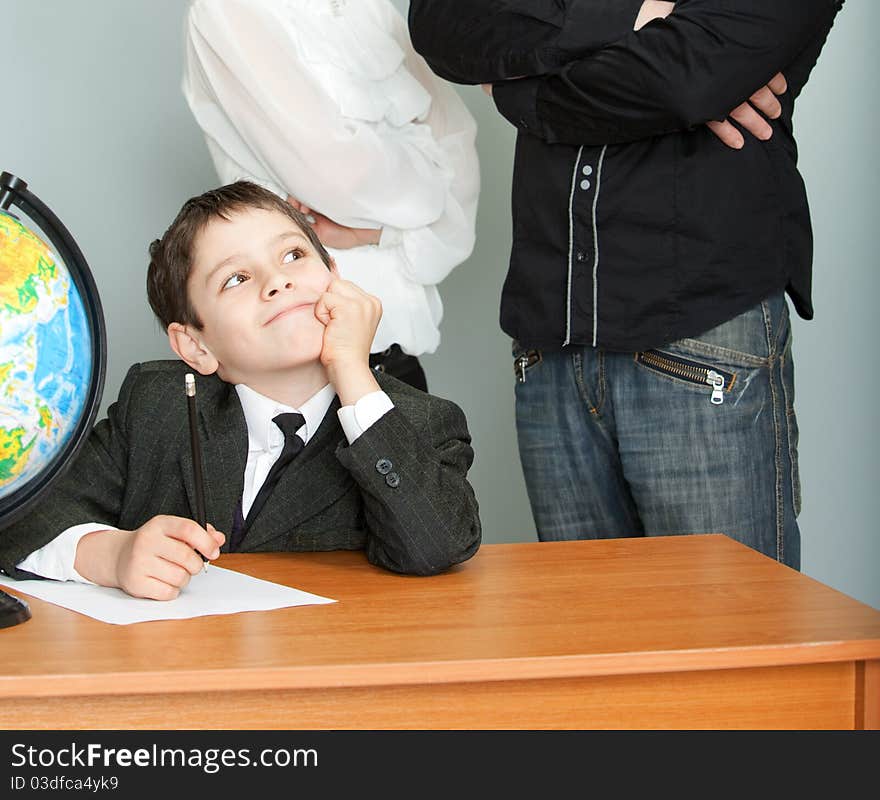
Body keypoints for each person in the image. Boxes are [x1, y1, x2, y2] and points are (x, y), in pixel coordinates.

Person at [408, 0, 846, 569]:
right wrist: (633, 17)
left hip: (700, 333)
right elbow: (441, 21)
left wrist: (520, 90)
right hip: (553, 338)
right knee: (590, 647)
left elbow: (686, 81)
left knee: (731, 650)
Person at [0, 182, 481, 599]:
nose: (278, 282)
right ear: (195, 345)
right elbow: (22, 515)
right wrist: (113, 554)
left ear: (335, 277)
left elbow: (438, 543)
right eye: (237, 278)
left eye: (293, 255)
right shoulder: (155, 405)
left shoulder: (416, 422)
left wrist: (352, 368)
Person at [181, 0, 480, 392]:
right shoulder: (228, 11)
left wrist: (377, 231)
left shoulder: (368, 7)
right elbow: (340, 173)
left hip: (395, 355)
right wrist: (426, 177)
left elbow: (459, 147)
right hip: (304, 368)